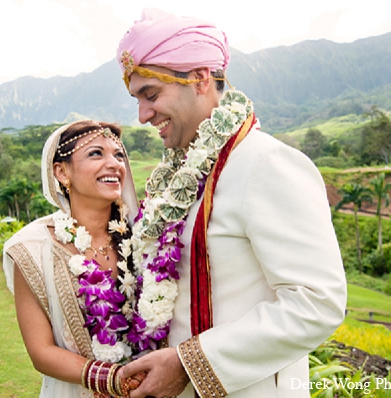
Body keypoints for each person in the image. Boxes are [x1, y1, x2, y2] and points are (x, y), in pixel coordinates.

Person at [115, 8, 348, 398]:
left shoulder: (265, 163)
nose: (142, 115)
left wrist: (191, 364)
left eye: (150, 95)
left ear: (200, 79)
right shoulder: (178, 175)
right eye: (137, 99)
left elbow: (317, 303)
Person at [2, 120, 148, 397]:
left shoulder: (143, 240)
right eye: (96, 153)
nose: (114, 164)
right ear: (61, 171)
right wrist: (114, 379)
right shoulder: (33, 247)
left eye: (118, 155)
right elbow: (41, 351)